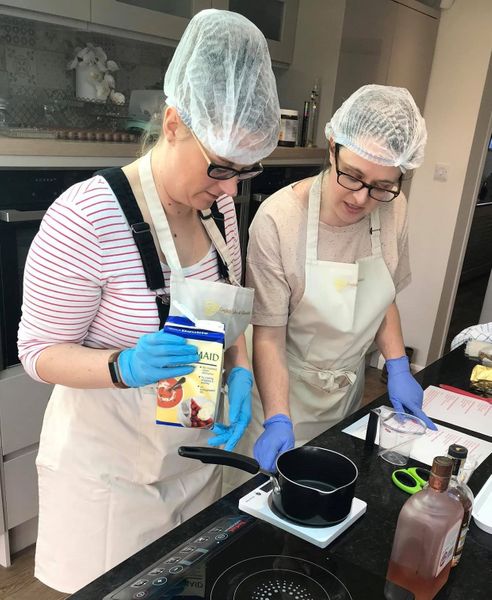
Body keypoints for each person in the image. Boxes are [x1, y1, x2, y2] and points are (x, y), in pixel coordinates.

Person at [17, 9, 280, 593]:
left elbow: (229, 314)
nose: (232, 187)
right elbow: (37, 352)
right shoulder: (88, 216)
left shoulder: (220, 212)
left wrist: (238, 371)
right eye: (221, 167)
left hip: (190, 458)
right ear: (172, 123)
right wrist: (122, 364)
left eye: (245, 171)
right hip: (110, 482)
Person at [246, 84, 437, 473]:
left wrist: (397, 364)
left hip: (344, 397)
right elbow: (267, 334)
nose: (362, 199)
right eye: (352, 175)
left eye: (382, 185)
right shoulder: (278, 220)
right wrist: (279, 417)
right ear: (332, 146)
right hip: (281, 395)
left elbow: (383, 300)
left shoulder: (394, 208)